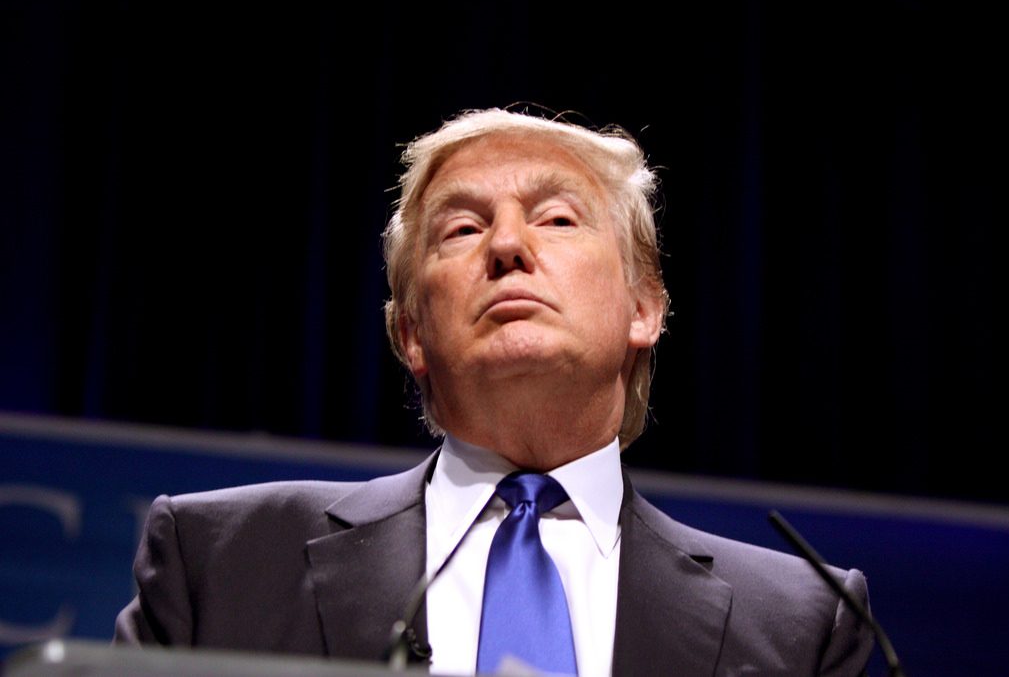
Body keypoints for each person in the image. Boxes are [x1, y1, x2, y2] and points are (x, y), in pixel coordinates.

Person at [115, 109, 874, 676]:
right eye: (462, 228)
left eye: (556, 217)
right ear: (410, 332)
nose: (509, 245)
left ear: (645, 307)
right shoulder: (223, 561)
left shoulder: (798, 622)